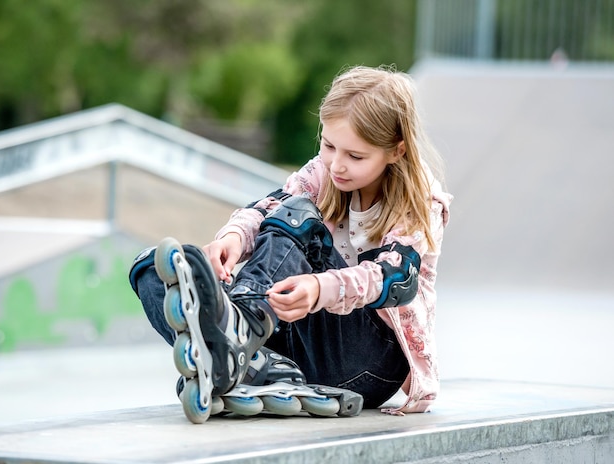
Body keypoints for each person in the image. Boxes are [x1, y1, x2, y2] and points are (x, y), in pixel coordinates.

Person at [129, 64, 452, 422]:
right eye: (329, 146)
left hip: (367, 363)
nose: (336, 165)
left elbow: (396, 280)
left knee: (299, 216)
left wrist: (320, 287)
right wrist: (233, 236)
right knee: (154, 270)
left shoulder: (419, 201)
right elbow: (269, 207)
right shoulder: (322, 173)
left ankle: (237, 335)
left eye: (355, 156)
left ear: (396, 151)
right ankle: (251, 362)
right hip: (297, 340)